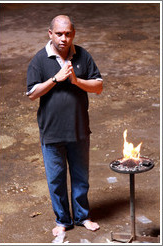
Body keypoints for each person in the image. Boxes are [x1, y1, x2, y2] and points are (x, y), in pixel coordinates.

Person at [26, 15, 103, 237]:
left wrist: (77, 81)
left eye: (68, 34)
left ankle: (82, 217)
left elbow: (98, 86)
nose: (63, 38)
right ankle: (62, 220)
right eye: (59, 34)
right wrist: (56, 79)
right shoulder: (40, 60)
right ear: (50, 34)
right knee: (56, 179)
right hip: (51, 132)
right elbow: (32, 94)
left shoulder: (83, 56)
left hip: (79, 130)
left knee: (81, 177)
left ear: (73, 34)